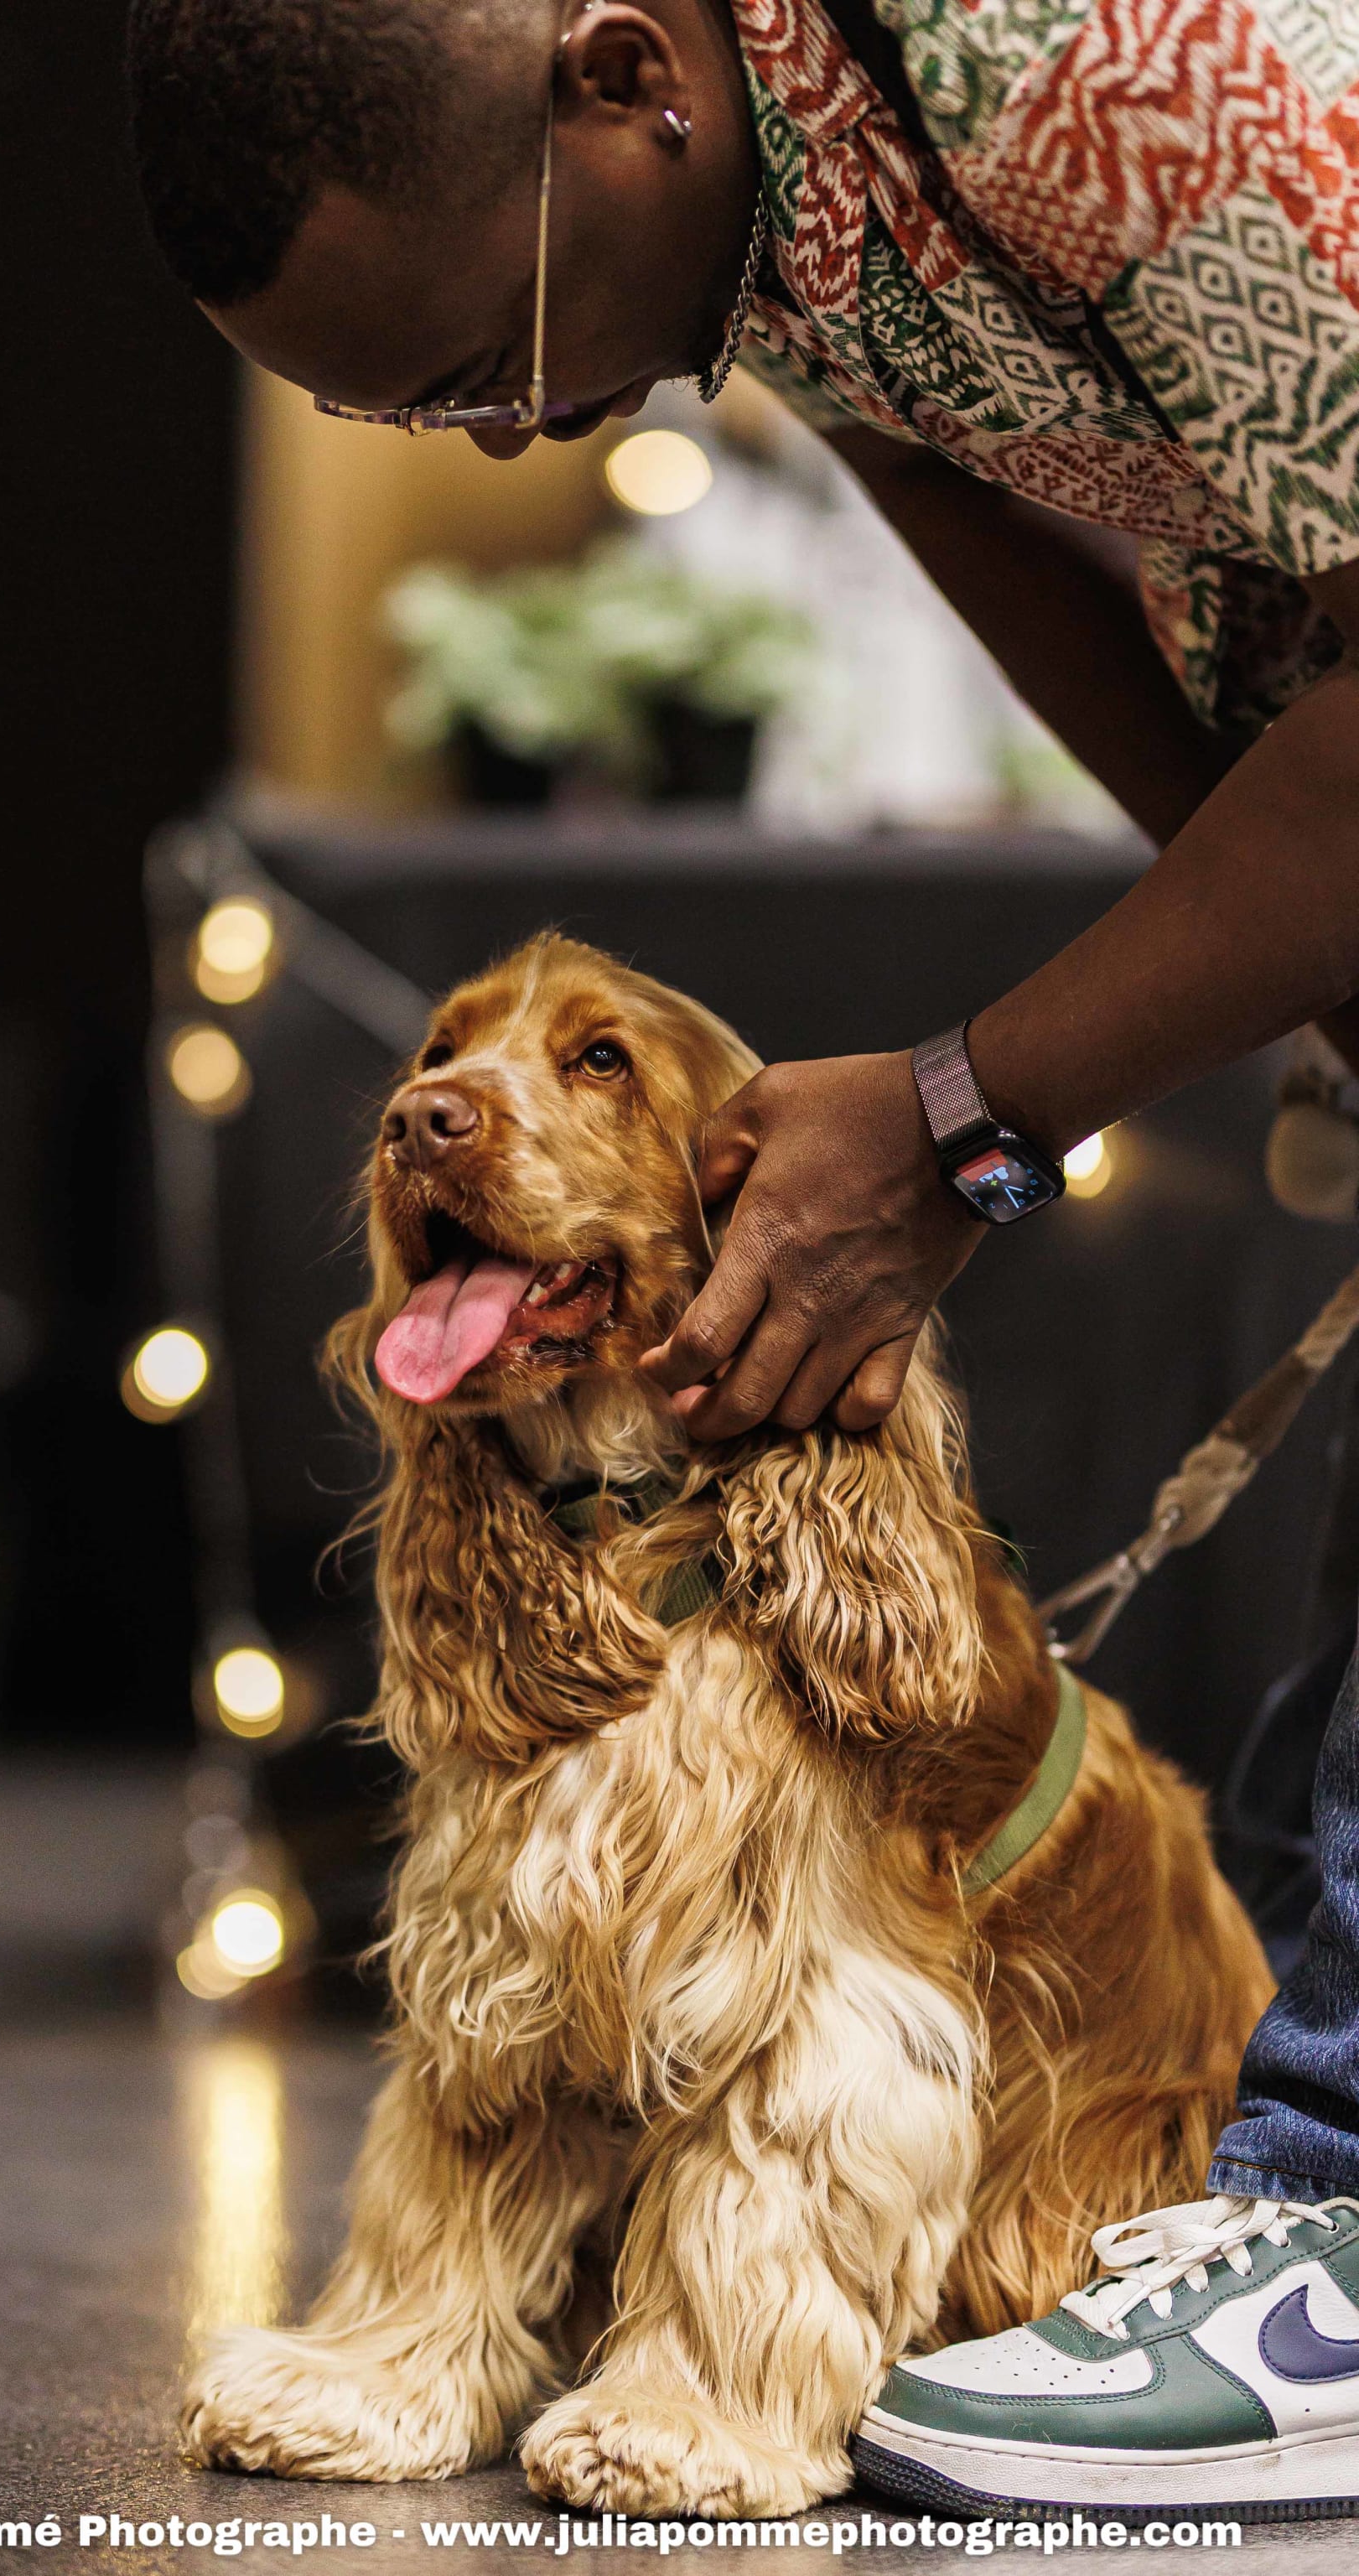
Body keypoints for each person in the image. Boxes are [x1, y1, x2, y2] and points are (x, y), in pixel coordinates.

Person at [126, 0, 1359, 2518]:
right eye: (414, 426)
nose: (509, 440)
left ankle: (1329, 2244)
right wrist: (1295, 937)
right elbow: (1046, 582)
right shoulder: (775, 238)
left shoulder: (1101, 62)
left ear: (620, 83)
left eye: (482, 360)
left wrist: (970, 1108)